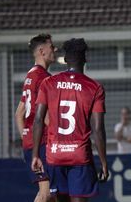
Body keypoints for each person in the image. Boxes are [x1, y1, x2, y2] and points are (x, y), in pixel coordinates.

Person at [31, 38, 109, 201]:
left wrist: (36, 154)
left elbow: (38, 120)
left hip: (55, 155)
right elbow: (98, 129)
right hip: (80, 155)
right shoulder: (94, 88)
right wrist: (103, 161)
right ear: (85, 59)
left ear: (65, 60)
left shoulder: (48, 83)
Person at [14, 33, 56, 202]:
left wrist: (26, 139)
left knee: (52, 194)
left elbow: (19, 114)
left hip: (32, 143)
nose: (55, 49)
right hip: (43, 142)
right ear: (41, 51)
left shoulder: (31, 75)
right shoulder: (44, 78)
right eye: (51, 46)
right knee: (46, 193)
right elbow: (45, 117)